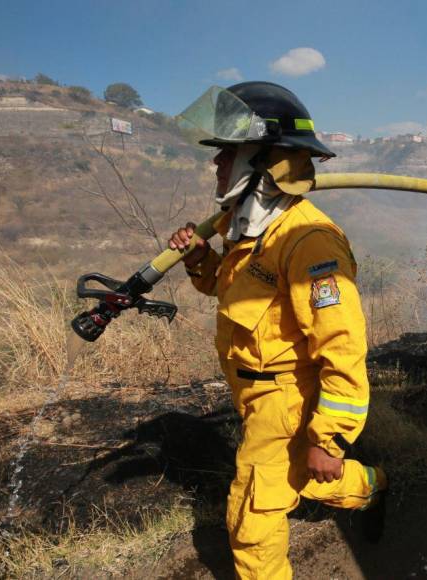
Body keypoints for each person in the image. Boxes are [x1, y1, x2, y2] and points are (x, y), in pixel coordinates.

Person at [167, 81, 386, 579]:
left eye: (226, 154)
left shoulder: (310, 243)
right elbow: (232, 294)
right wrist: (202, 261)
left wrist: (329, 439)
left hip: (285, 400)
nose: (216, 165)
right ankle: (372, 487)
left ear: (262, 162)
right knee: (308, 480)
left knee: (252, 522)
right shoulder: (249, 227)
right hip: (253, 394)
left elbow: (343, 348)